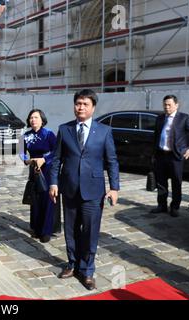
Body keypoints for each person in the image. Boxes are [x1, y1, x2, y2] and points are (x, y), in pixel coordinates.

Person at [49, 89, 119, 291]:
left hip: (94, 190)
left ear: (93, 107)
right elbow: (56, 160)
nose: (80, 107)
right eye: (78, 103)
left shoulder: (104, 131)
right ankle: (72, 264)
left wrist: (114, 187)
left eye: (85, 104)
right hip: (69, 188)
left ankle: (87, 269)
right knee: (70, 230)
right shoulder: (65, 129)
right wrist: (53, 183)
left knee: (90, 232)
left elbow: (112, 161)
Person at [150, 95, 189, 217]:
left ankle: (175, 207)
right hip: (161, 155)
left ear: (176, 105)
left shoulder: (184, 118)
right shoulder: (160, 118)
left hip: (176, 156)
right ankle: (162, 205)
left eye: (169, 104)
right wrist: (154, 154)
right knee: (161, 182)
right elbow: (156, 136)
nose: (167, 107)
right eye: (165, 104)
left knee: (176, 182)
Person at [21, 109, 57, 243]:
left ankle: (46, 231)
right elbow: (21, 152)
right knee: (35, 199)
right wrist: (27, 160)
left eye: (36, 117)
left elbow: (56, 152)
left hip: (47, 170)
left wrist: (45, 159)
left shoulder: (49, 134)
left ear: (42, 120)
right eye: (31, 118)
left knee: (47, 199)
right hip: (34, 169)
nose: (33, 120)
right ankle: (36, 228)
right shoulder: (25, 135)